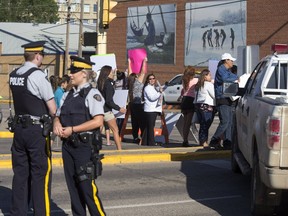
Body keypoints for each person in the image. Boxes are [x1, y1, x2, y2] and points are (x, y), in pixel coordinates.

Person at [53, 56, 106, 216]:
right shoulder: (67, 94)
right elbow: (58, 114)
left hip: (84, 147)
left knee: (87, 188)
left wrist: (73, 129)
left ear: (84, 74)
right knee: (74, 190)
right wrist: (56, 122)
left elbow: (98, 121)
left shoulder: (93, 94)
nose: (70, 75)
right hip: (68, 146)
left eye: (74, 72)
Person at [9, 41, 57, 216]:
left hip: (19, 129)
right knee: (39, 174)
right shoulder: (37, 75)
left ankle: (18, 212)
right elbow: (52, 108)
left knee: (20, 173)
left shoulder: (14, 74)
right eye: (42, 55)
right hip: (36, 131)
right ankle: (40, 212)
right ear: (38, 56)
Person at [209, 53, 238, 150]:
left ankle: (227, 142)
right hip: (222, 98)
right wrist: (236, 78)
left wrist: (236, 78)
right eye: (231, 60)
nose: (232, 62)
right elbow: (226, 79)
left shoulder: (227, 70)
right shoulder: (221, 69)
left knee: (229, 122)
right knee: (225, 121)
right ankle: (214, 139)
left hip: (228, 98)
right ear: (226, 60)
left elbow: (234, 76)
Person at [97, 65, 126, 150]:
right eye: (112, 72)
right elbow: (109, 101)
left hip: (98, 110)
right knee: (115, 130)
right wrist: (119, 108)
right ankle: (119, 149)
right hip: (106, 111)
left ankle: (94, 148)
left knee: (98, 131)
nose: (113, 73)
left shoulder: (100, 83)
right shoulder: (108, 85)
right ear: (108, 73)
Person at [194, 69, 216, 148]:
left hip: (199, 105)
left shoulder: (198, 85)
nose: (211, 76)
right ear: (205, 76)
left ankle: (202, 140)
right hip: (207, 106)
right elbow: (214, 95)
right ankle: (204, 141)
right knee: (206, 124)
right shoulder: (208, 84)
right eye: (209, 75)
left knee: (203, 124)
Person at [127, 58, 147, 144]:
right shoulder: (137, 83)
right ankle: (143, 137)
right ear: (135, 77)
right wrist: (144, 61)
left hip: (132, 104)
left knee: (134, 122)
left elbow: (130, 73)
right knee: (142, 121)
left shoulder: (129, 82)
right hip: (138, 104)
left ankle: (135, 137)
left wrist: (129, 62)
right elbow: (143, 72)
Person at [141, 73, 163, 146]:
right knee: (150, 127)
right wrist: (159, 92)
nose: (152, 80)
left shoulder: (153, 87)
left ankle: (145, 142)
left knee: (148, 126)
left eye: (153, 78)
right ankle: (151, 142)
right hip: (150, 110)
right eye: (150, 79)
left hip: (153, 109)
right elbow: (152, 98)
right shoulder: (147, 88)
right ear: (147, 80)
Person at [179, 66, 198, 147]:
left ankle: (185, 139)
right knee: (188, 122)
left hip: (184, 100)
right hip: (191, 100)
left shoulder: (184, 80)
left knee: (185, 123)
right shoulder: (195, 80)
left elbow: (183, 91)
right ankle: (185, 141)